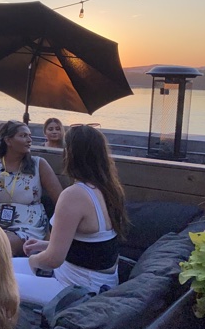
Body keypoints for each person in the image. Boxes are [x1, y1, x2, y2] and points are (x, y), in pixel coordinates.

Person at [12, 125, 130, 304]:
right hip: (98, 281)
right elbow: (93, 244)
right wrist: (46, 244)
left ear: (71, 155)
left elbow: (52, 260)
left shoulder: (74, 195)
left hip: (76, 289)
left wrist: (33, 260)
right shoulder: (108, 189)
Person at [0, 120, 63, 256]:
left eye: (29, 136)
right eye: (23, 136)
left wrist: (57, 232)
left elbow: (61, 201)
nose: (29, 140)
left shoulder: (38, 165)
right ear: (8, 140)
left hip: (28, 225)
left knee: (1, 244)